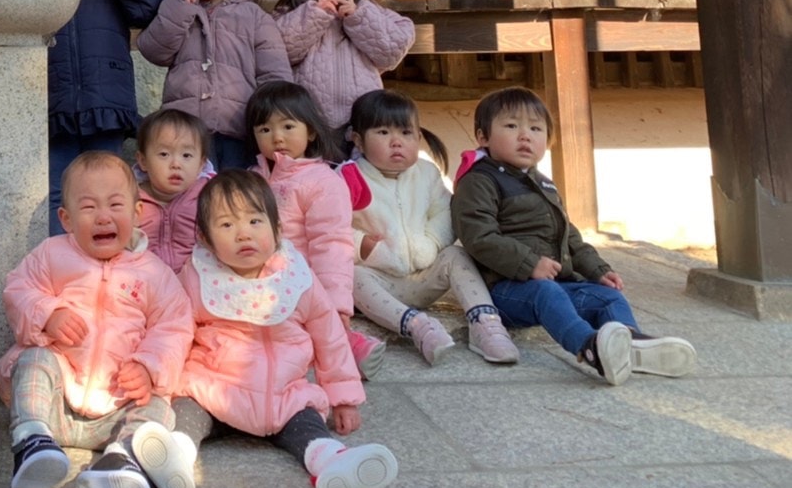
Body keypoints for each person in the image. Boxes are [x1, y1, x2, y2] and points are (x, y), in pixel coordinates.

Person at [148, 170, 397, 488]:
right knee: (185, 412)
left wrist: (344, 398)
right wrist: (158, 385)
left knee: (310, 427)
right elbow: (174, 331)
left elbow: (330, 337)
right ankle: (174, 459)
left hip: (285, 397)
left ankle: (332, 461)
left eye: (254, 221)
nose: (243, 234)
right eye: (226, 225)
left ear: (277, 230)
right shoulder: (197, 277)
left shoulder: (296, 277)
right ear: (205, 240)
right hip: (214, 390)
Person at [453, 86, 697, 385]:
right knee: (547, 292)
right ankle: (590, 347)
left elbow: (570, 237)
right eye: (511, 126)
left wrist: (598, 269)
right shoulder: (479, 181)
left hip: (557, 284)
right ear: (482, 137)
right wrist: (529, 264)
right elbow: (479, 237)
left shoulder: (544, 184)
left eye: (535, 128)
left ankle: (630, 343)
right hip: (507, 289)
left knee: (607, 298)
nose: (525, 135)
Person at [0, 151, 195, 488]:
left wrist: (149, 367)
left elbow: (174, 327)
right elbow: (18, 289)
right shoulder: (51, 254)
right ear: (66, 218)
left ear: (137, 214)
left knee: (160, 405)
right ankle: (32, 439)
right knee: (35, 360)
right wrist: (47, 313)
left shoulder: (154, 273)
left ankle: (122, 459)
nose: (103, 217)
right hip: (56, 404)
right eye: (88, 208)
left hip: (117, 410)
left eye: (115, 206)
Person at [346, 90, 518, 366]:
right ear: (358, 140)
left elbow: (446, 213)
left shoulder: (426, 173)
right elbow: (331, 228)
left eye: (406, 133)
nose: (396, 142)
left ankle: (485, 323)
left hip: (423, 276)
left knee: (457, 256)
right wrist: (361, 245)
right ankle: (418, 327)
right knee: (351, 276)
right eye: (382, 132)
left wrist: (431, 242)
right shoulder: (349, 178)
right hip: (378, 281)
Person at [248, 81, 387, 381]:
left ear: (310, 131)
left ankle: (350, 347)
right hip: (258, 283)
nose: (277, 137)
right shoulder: (253, 179)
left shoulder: (322, 181)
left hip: (305, 284)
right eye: (265, 129)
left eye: (287, 126)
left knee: (319, 327)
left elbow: (332, 243)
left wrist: (337, 305)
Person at [42, 0, 167, 235]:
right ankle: (63, 261)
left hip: (105, 107)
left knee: (106, 189)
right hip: (57, 108)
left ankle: (108, 254)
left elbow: (153, 5)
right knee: (58, 190)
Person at [136, 0, 290, 171]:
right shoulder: (175, 8)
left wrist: (271, 120)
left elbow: (275, 74)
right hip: (185, 131)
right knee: (191, 197)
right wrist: (180, 8)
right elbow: (154, 50)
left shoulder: (253, 16)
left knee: (234, 195)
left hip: (238, 128)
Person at [273, 0, 415, 139]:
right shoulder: (294, 12)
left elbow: (390, 53)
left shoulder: (370, 11)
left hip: (364, 122)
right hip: (308, 123)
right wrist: (314, 17)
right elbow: (280, 52)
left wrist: (359, 19)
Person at [133, 108, 214, 274]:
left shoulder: (209, 197)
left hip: (197, 279)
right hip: (143, 281)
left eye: (186, 155)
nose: (176, 164)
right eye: (164, 154)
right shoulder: (130, 199)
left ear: (201, 164)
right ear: (143, 161)